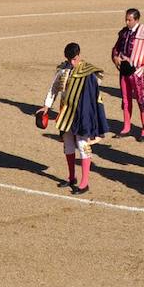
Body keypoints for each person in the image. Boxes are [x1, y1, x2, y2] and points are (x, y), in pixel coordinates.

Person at [39, 42, 111, 194]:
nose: (73, 62)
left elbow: (95, 90)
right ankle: (72, 177)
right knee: (68, 145)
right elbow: (54, 88)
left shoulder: (89, 71)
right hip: (66, 113)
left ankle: (84, 183)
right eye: (70, 60)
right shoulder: (63, 70)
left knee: (83, 144)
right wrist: (46, 106)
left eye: (75, 59)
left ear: (79, 55)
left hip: (81, 114)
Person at [111, 8, 144, 140]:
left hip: (136, 72)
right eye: (126, 19)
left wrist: (135, 63)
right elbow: (116, 48)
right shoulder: (124, 32)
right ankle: (126, 127)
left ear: (137, 20)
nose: (127, 22)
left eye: (130, 20)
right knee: (126, 99)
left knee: (141, 99)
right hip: (124, 71)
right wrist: (116, 57)